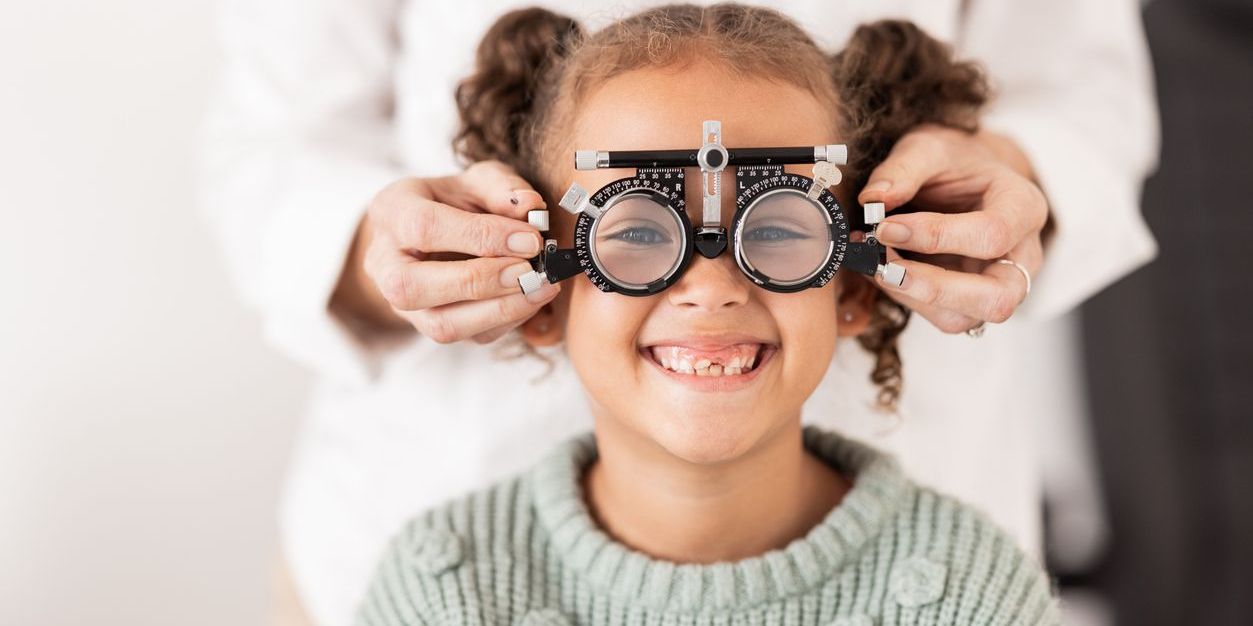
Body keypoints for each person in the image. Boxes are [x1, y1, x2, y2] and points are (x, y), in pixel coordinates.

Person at [198, 0, 1156, 624]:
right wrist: (388, 252)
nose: (710, 286)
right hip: (435, 472)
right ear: (546, 283)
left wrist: (1016, 180)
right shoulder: (440, 581)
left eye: (777, 230)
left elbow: (1083, 94)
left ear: (857, 281)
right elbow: (277, 141)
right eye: (636, 234)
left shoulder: (964, 588)